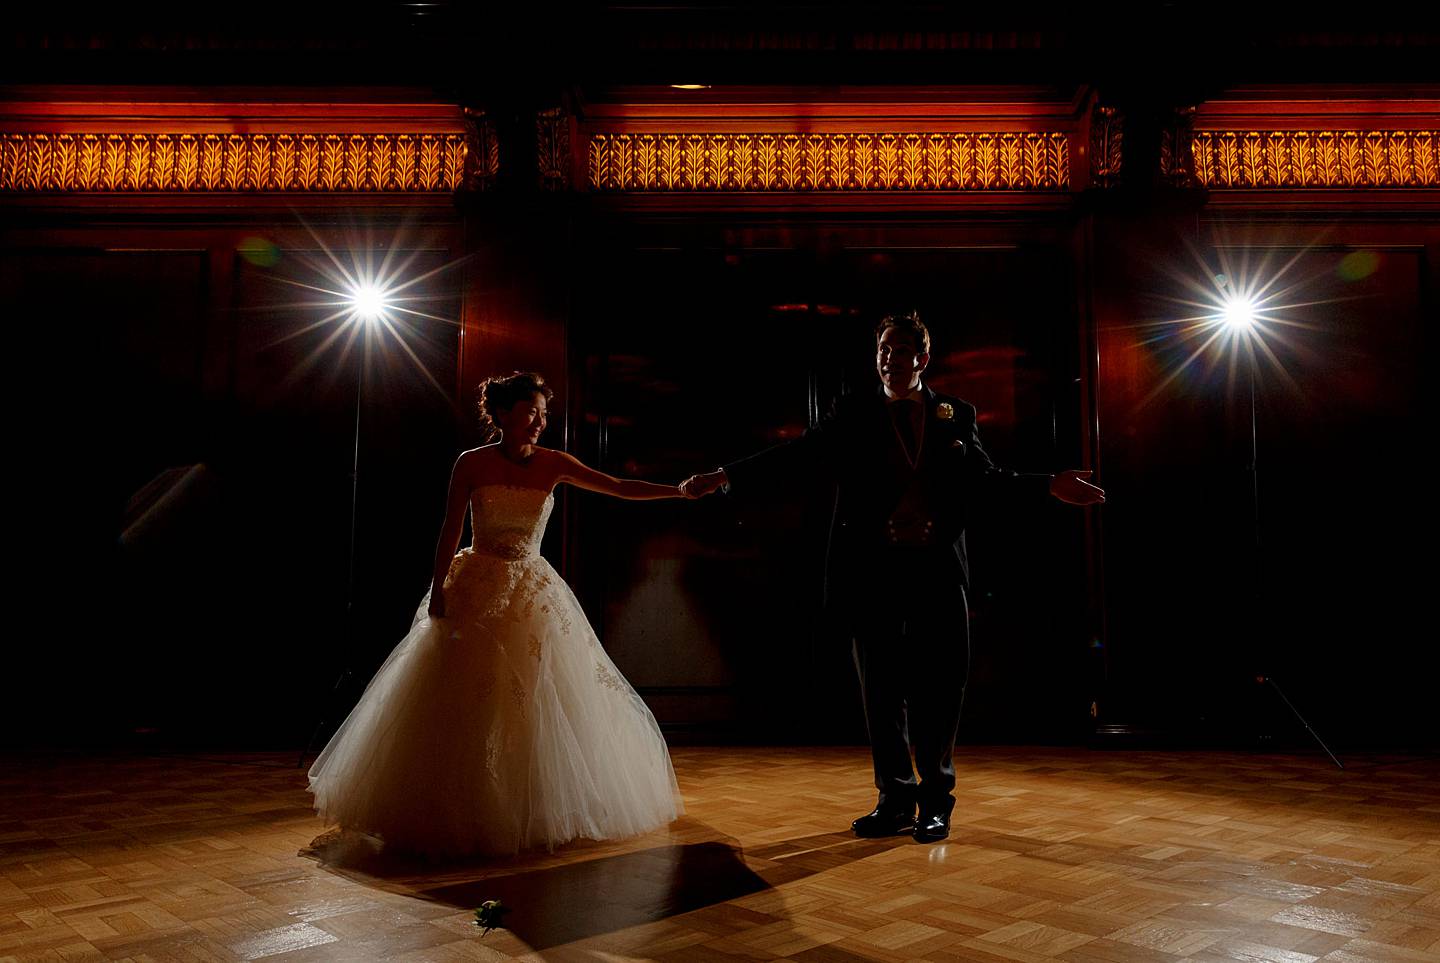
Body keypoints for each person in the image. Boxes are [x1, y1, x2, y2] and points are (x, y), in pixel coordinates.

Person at [682, 312, 1104, 843]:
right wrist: (726, 476)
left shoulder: (956, 414)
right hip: (872, 573)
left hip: (937, 573)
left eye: (900, 352)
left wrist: (1048, 486)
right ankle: (895, 800)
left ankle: (935, 803)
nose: (889, 360)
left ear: (921, 360)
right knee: (880, 691)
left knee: (940, 688)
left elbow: (985, 481)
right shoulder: (853, 410)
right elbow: (801, 452)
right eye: (883, 350)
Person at [308, 371, 687, 859]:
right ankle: (452, 805)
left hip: (531, 589)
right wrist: (438, 585)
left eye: (542, 413)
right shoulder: (471, 463)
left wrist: (679, 491)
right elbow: (450, 527)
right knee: (462, 698)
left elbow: (617, 486)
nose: (538, 422)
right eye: (531, 412)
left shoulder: (554, 463)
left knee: (538, 699)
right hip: (476, 584)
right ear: (504, 414)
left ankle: (535, 807)